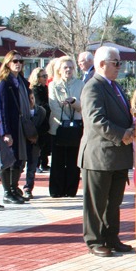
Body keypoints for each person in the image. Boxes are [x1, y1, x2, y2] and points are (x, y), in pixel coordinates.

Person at [79, 46, 135, 257]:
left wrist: (133, 125)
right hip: (99, 156)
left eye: (120, 62)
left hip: (118, 156)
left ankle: (111, 237)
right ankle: (94, 240)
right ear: (102, 64)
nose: (119, 67)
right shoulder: (93, 87)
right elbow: (96, 121)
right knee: (96, 203)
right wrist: (123, 134)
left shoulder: (115, 86)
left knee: (114, 202)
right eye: (116, 62)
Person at [0, 50, 33, 204]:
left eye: (20, 61)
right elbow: (1, 109)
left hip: (22, 126)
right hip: (11, 127)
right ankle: (7, 192)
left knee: (19, 159)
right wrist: (6, 133)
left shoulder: (22, 81)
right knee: (8, 159)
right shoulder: (4, 83)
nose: (18, 64)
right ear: (8, 63)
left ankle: (14, 188)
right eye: (15, 61)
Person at [48, 56, 84, 198]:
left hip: (75, 128)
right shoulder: (53, 85)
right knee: (57, 160)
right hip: (58, 127)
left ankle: (70, 190)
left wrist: (73, 102)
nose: (68, 70)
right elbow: (54, 106)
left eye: (70, 67)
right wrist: (64, 119)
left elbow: (82, 106)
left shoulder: (80, 84)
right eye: (65, 67)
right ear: (59, 70)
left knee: (72, 161)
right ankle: (56, 190)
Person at [21, 88, 48, 199]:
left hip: (35, 144)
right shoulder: (22, 112)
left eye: (32, 98)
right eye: (28, 99)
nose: (31, 101)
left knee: (32, 167)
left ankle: (28, 187)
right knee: (20, 165)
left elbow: (46, 126)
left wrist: (35, 134)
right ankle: (14, 187)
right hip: (23, 144)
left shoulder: (40, 111)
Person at [29, 67, 52, 173]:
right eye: (43, 76)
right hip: (39, 117)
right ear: (37, 77)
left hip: (46, 117)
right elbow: (40, 104)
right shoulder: (35, 89)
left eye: (46, 75)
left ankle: (44, 163)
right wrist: (52, 106)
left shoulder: (45, 88)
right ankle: (36, 165)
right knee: (38, 142)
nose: (46, 78)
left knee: (45, 141)